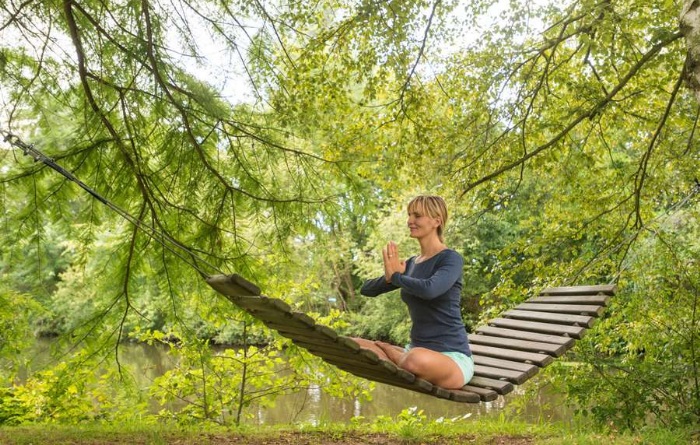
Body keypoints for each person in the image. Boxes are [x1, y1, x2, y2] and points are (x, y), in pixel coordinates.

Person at [352, 195, 474, 390]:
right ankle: (397, 354)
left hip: (451, 358)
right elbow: (367, 290)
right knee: (353, 345)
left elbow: (430, 289)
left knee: (415, 360)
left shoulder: (451, 259)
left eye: (417, 215)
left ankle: (391, 352)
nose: (410, 221)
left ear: (437, 221)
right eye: (409, 215)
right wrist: (389, 276)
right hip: (414, 352)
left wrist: (398, 278)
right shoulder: (410, 265)